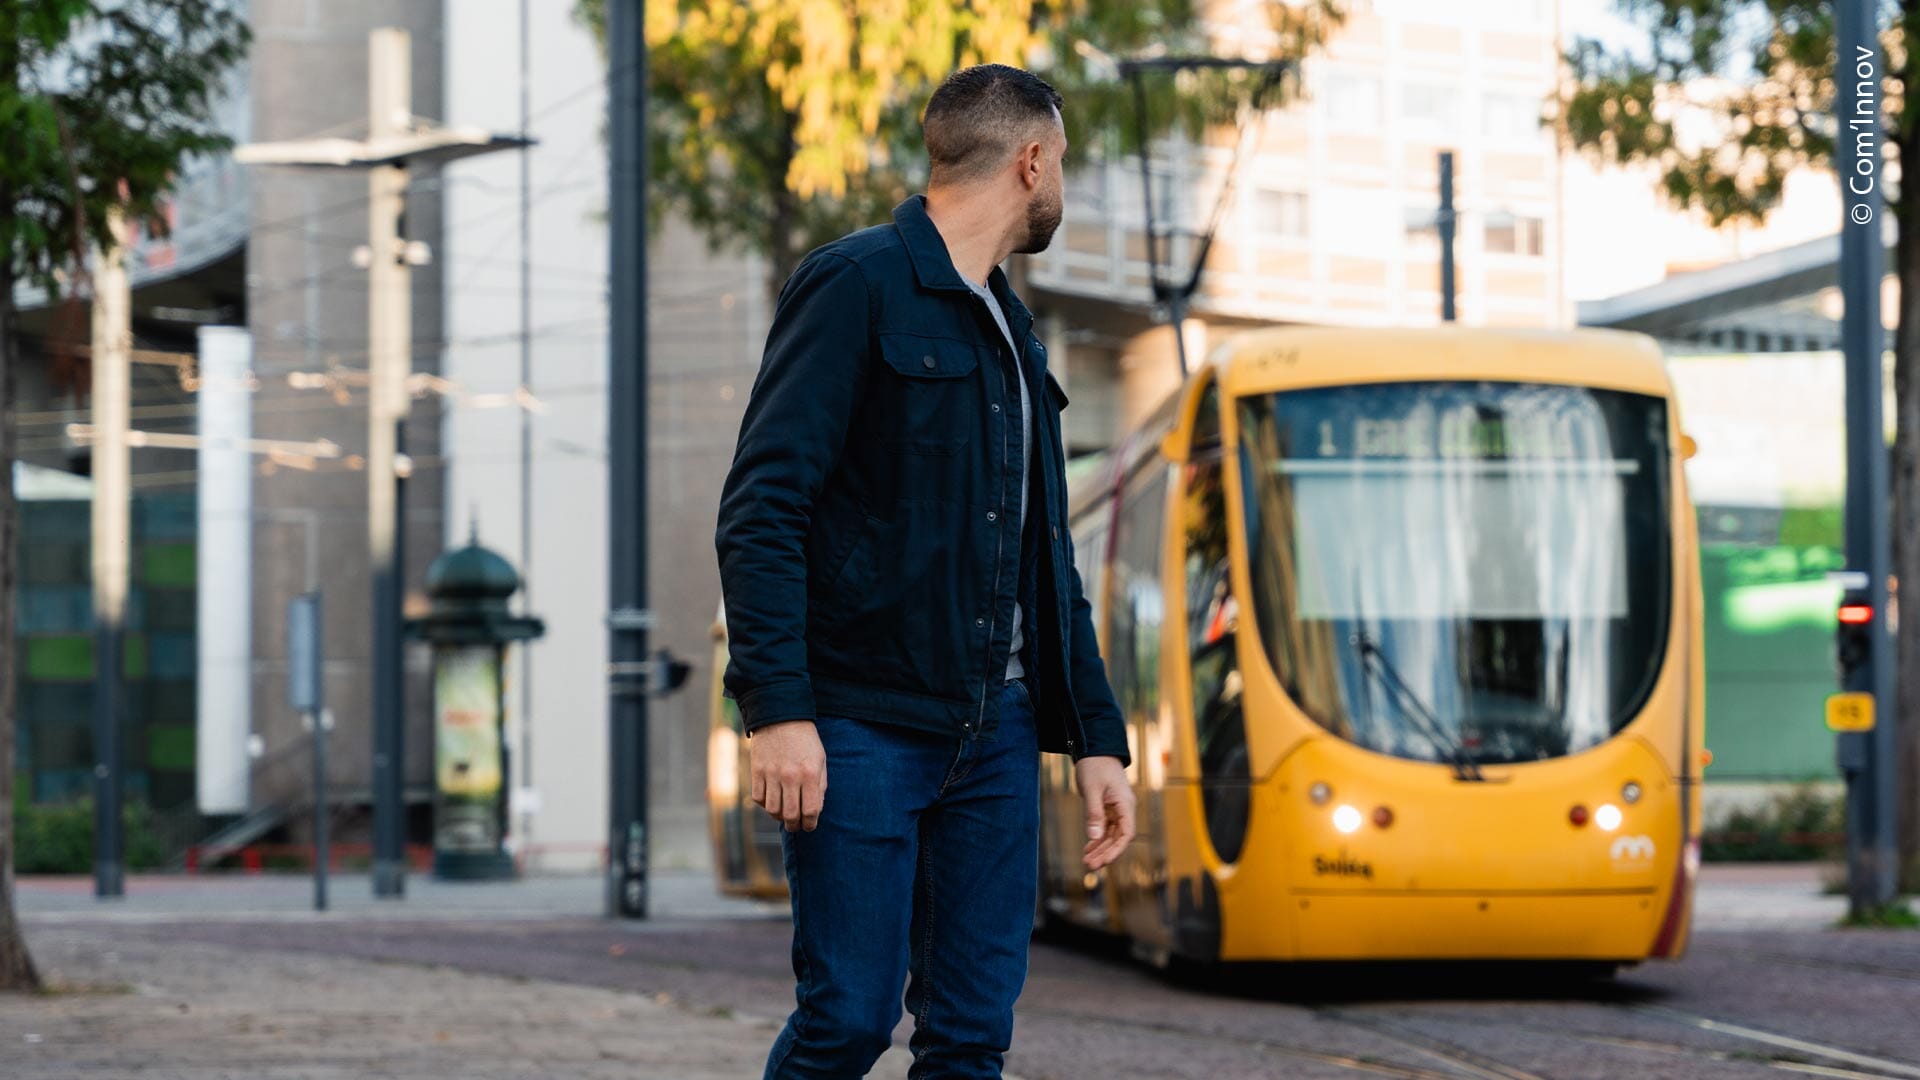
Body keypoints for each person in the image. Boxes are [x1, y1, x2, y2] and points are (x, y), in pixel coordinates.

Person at [715, 63, 1136, 1080]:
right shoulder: (855, 282)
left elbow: (1045, 559)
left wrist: (1093, 738)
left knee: (969, 1037)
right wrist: (778, 712)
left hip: (993, 740)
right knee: (849, 1020)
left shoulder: (1017, 335)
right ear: (1030, 161)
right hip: (862, 725)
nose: (1061, 186)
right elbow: (763, 507)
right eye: (1063, 164)